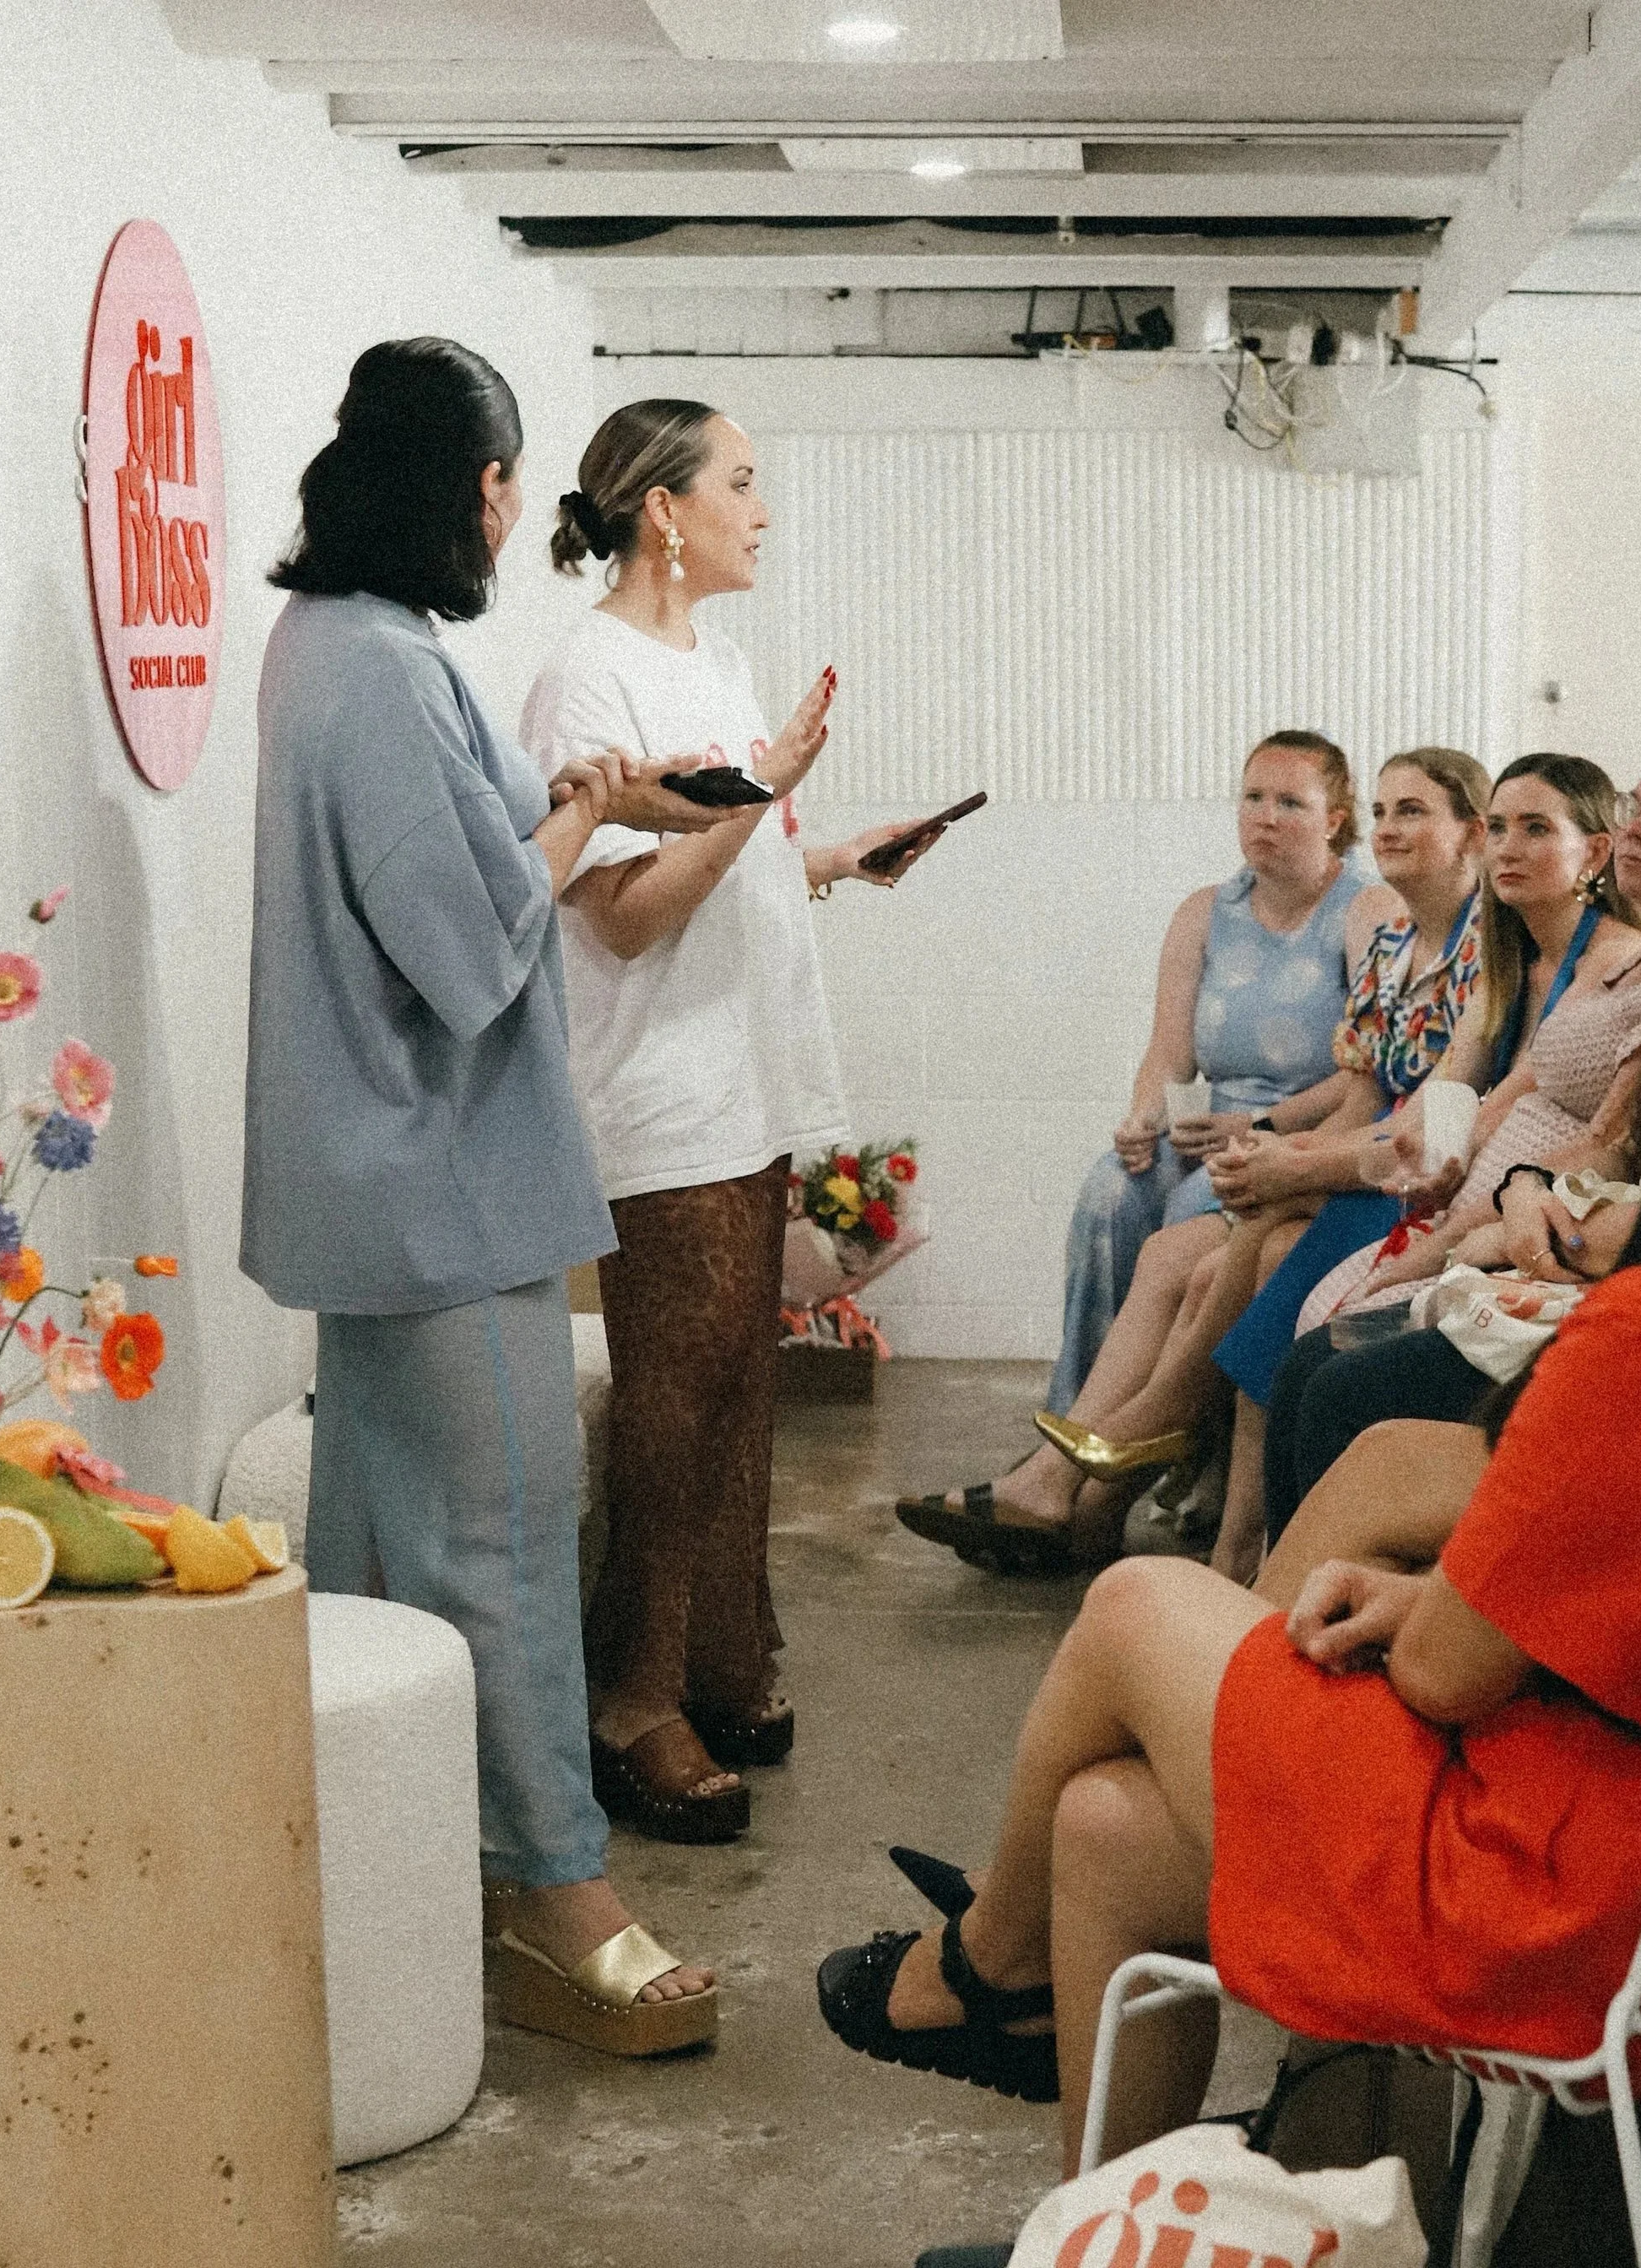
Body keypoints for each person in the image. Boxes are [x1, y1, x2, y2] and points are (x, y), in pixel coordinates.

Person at [817, 782, 1641, 2230]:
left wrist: (1438, 1609)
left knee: (1135, 1602)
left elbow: (1444, 1671)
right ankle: (1117, 2222)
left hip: (1579, 1926)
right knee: (1110, 1825)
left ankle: (981, 1970)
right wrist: (1449, 1593)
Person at [242, 338, 734, 2056]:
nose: (519, 506)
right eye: (507, 477)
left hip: (370, 1187)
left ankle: (418, 1868)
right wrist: (559, 839)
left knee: (378, 1552)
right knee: (509, 1546)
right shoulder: (384, 667)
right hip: (446, 1179)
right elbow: (465, 944)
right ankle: (556, 1884)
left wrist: (578, 803)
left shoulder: (324, 644)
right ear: (465, 483)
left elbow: (437, 854)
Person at [521, 398, 926, 1845]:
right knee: (675, 1401)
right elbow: (623, 918)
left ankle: (712, 1656)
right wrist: (762, 793)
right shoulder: (588, 679)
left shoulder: (719, 653)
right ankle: (632, 1699)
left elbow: (730, 863)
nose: (763, 508)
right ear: (662, 512)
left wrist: (821, 852)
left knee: (739, 1388)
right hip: (661, 1094)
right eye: (741, 483)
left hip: (742, 1080)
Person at [896, 749, 1490, 1578]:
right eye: (1252, 795)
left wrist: (1281, 1142)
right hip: (1308, 1135)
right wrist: (1172, 1123)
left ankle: (1143, 1469)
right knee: (1132, 1211)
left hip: (1396, 1161)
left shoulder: (1428, 931)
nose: (1390, 827)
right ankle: (1079, 1467)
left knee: (1214, 1243)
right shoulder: (1384, 940)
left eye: (1412, 811)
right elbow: (1240, 1067)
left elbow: (1426, 1113)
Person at [1259, 732, 1641, 1551]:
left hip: (1590, 1277)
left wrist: (1495, 1226)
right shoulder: (1578, 962)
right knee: (1299, 1343)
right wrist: (1499, 1198)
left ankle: (1294, 1600)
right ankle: (1266, 1585)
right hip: (1507, 1219)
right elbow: (1496, 1105)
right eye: (1499, 825)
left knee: (1332, 1380)